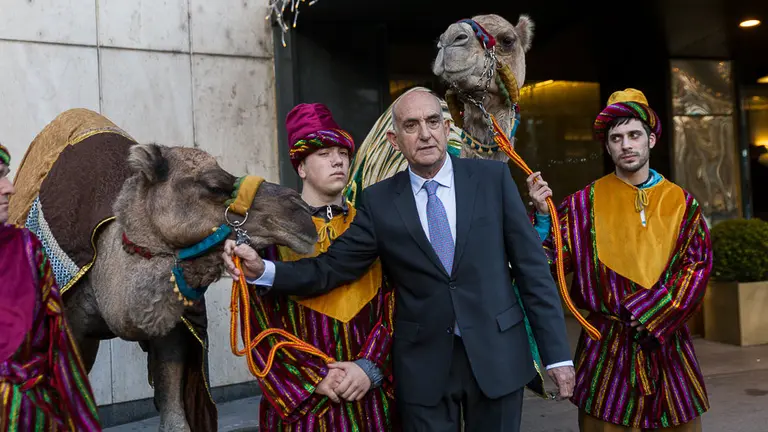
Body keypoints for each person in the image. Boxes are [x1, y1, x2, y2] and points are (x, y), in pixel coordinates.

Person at [223, 90, 575, 432]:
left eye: (433, 121)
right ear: (394, 139)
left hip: (499, 358)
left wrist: (557, 356)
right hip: (424, 371)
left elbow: (532, 273)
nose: (425, 133)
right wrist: (263, 270)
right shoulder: (378, 202)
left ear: (446, 128)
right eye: (411, 125)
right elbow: (331, 268)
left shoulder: (493, 180)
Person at [526, 89, 711, 431]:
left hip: (669, 349)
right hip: (606, 353)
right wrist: (540, 219)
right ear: (608, 146)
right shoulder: (582, 204)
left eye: (634, 135)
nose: (626, 144)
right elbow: (544, 265)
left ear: (651, 140)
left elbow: (697, 267)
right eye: (617, 138)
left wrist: (655, 312)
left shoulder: (683, 203)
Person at [227, 103, 396, 430]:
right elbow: (256, 326)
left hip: (373, 404)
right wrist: (315, 378)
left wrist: (369, 367)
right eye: (324, 154)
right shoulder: (270, 239)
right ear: (301, 167)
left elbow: (397, 304)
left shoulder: (376, 226)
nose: (338, 160)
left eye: (343, 153)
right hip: (305, 410)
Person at [0, 143, 102, 431]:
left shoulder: (28, 250)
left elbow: (59, 350)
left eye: (6, 175)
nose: (9, 188)